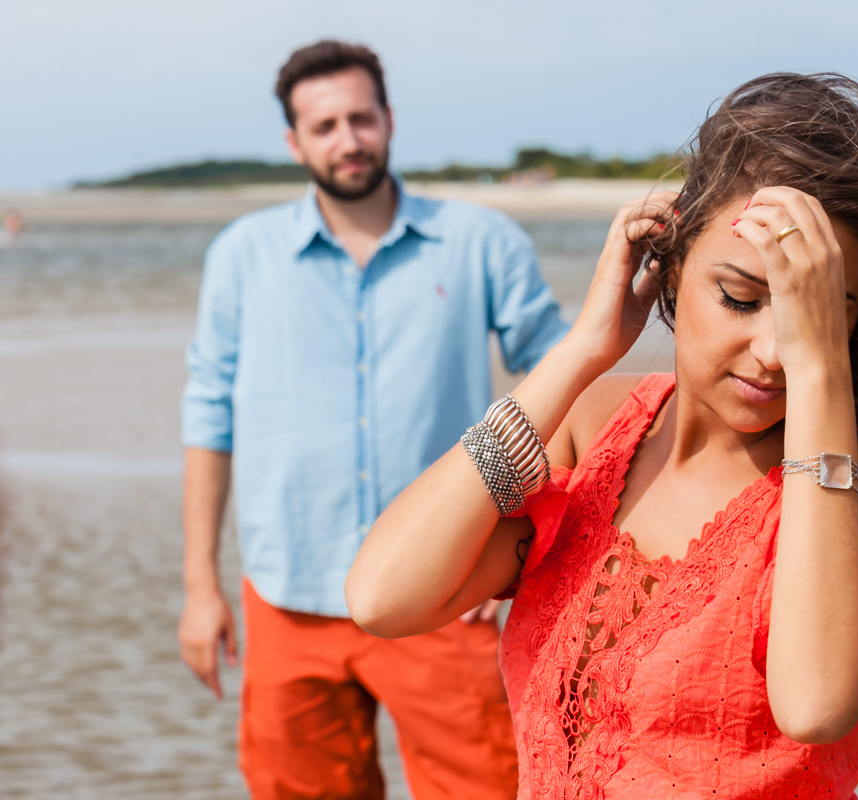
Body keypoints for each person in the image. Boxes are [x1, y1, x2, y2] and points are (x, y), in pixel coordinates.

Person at [345, 74, 858, 798]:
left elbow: (815, 704)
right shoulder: (595, 426)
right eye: (740, 298)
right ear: (670, 269)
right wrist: (579, 352)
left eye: (815, 311)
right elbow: (385, 596)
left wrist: (820, 377)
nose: (774, 349)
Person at [178, 40, 568, 800]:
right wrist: (200, 587)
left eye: (361, 118)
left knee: (487, 790)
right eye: (324, 126)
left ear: (389, 119)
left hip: (447, 593)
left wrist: (531, 539)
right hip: (287, 597)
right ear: (294, 142)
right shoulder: (241, 256)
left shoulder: (480, 243)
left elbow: (564, 386)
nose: (347, 139)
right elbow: (208, 418)